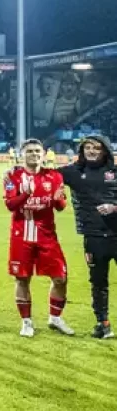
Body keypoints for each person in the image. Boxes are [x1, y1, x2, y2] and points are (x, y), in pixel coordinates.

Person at [4, 139, 74, 337]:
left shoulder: (54, 176)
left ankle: (55, 318)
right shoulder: (12, 176)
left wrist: (58, 198)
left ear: (43, 154)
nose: (34, 154)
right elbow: (10, 205)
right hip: (21, 236)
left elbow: (60, 207)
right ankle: (26, 322)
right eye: (29, 151)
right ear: (22, 154)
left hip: (47, 236)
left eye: (37, 151)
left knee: (60, 278)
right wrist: (26, 194)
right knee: (22, 279)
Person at [56, 135, 117, 339]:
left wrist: (114, 207)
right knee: (98, 283)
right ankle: (103, 324)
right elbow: (44, 176)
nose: (92, 151)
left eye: (97, 148)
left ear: (105, 150)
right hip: (93, 237)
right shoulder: (74, 172)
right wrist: (14, 172)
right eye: (88, 147)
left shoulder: (115, 171)